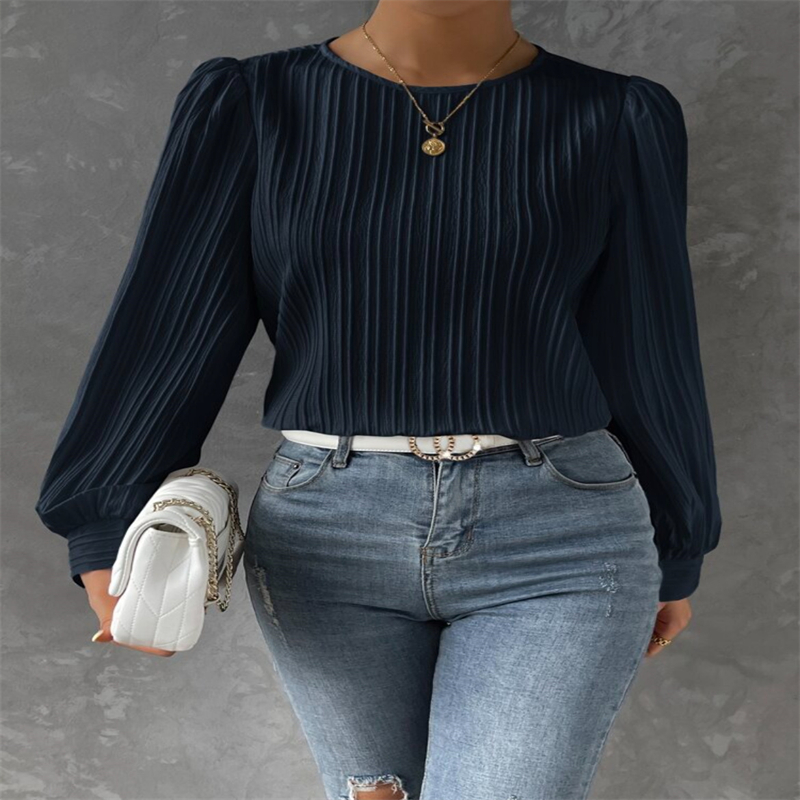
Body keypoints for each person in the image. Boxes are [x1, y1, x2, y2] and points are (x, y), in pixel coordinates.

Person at [35, 2, 723, 798]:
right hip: (328, 536)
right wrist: (105, 516)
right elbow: (170, 318)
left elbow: (647, 340)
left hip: (560, 534)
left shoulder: (616, 116)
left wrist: (677, 536)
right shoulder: (253, 104)